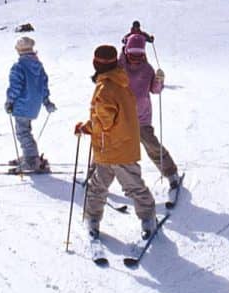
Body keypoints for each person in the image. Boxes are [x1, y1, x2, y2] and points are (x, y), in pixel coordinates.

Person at [75, 45, 156, 240]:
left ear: (97, 64)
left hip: (111, 148)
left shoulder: (105, 89)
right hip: (122, 145)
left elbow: (104, 123)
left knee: (103, 186)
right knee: (128, 185)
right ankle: (146, 219)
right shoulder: (121, 81)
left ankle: (94, 219)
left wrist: (86, 128)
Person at [119, 34, 180, 189]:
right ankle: (95, 176)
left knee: (152, 146)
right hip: (120, 118)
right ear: (127, 52)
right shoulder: (120, 66)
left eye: (139, 55)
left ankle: (171, 173)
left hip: (141, 118)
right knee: (109, 146)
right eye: (132, 54)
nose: (135, 58)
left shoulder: (147, 69)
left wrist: (159, 81)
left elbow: (155, 90)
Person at [4, 36, 56, 173]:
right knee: (26, 130)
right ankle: (29, 155)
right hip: (34, 105)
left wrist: (9, 102)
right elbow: (43, 85)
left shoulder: (18, 67)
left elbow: (15, 87)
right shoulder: (38, 65)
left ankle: (31, 160)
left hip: (22, 105)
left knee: (23, 133)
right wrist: (46, 102)